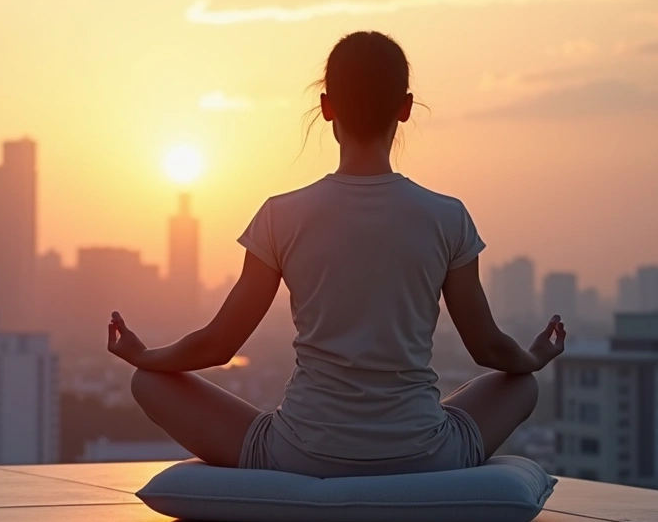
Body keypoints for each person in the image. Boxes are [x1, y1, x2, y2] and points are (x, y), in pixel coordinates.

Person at [106, 31, 567, 478]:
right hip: (424, 453)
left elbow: (218, 345)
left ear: (326, 108)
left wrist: (142, 355)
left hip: (300, 453)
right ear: (406, 109)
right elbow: (487, 347)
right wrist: (535, 358)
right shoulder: (447, 217)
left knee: (148, 383)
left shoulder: (280, 216)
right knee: (520, 385)